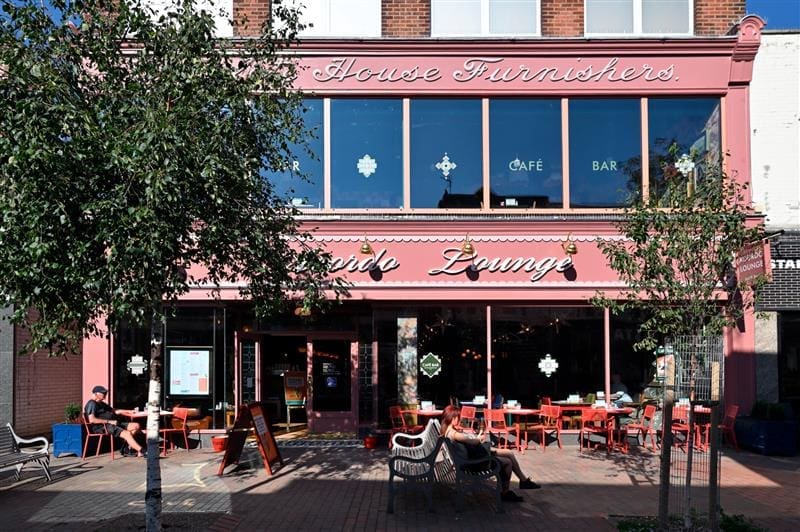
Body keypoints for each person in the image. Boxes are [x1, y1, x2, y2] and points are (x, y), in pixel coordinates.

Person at [440, 405, 540, 503]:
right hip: (474, 462)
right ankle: (508, 490)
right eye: (458, 417)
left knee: (509, 454)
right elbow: (474, 442)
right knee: (508, 461)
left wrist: (476, 438)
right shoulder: (453, 433)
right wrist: (479, 438)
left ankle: (521, 482)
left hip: (471, 458)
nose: (460, 419)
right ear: (452, 418)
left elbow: (470, 441)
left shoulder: (448, 432)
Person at [84, 385, 146, 457]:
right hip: (102, 427)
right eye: (103, 393)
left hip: (112, 423)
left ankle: (125, 448)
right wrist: (109, 421)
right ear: (96, 394)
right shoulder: (92, 403)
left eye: (106, 393)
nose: (105, 394)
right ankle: (142, 451)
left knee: (136, 426)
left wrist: (129, 411)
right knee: (127, 434)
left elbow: (115, 410)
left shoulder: (101, 403)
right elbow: (92, 420)